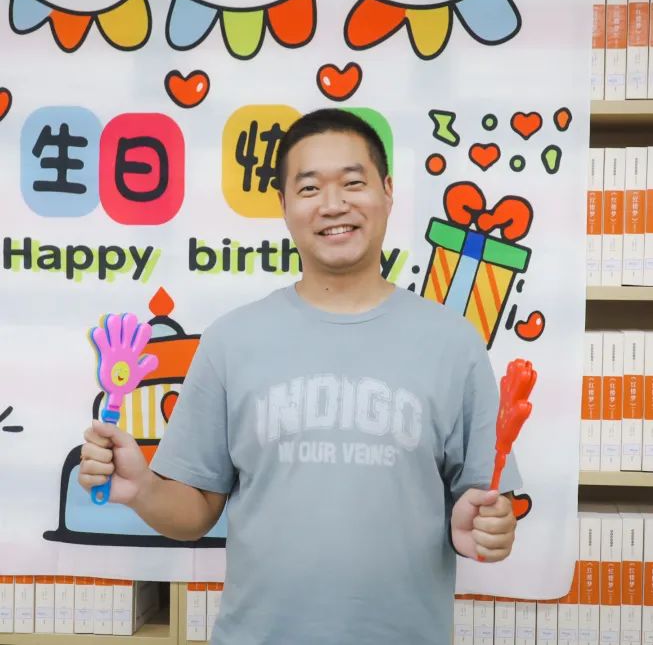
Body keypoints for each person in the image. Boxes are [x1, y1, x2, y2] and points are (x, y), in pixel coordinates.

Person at [79, 108, 521, 644]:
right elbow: (195, 513)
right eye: (309, 188)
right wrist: (143, 489)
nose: (333, 204)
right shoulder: (231, 340)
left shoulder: (454, 343)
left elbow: (482, 503)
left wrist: (489, 526)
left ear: (387, 192)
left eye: (353, 183)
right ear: (284, 206)